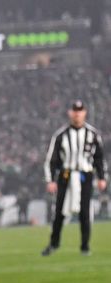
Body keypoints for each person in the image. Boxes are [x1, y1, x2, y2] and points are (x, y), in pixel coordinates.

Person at [43, 100, 107, 256]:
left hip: (85, 175)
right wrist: (50, 180)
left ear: (84, 112)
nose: (77, 114)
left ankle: (85, 246)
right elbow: (51, 159)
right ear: (70, 113)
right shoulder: (60, 135)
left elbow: (99, 158)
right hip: (66, 174)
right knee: (59, 212)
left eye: (80, 110)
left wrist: (102, 177)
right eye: (75, 110)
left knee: (85, 212)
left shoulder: (93, 134)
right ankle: (54, 243)